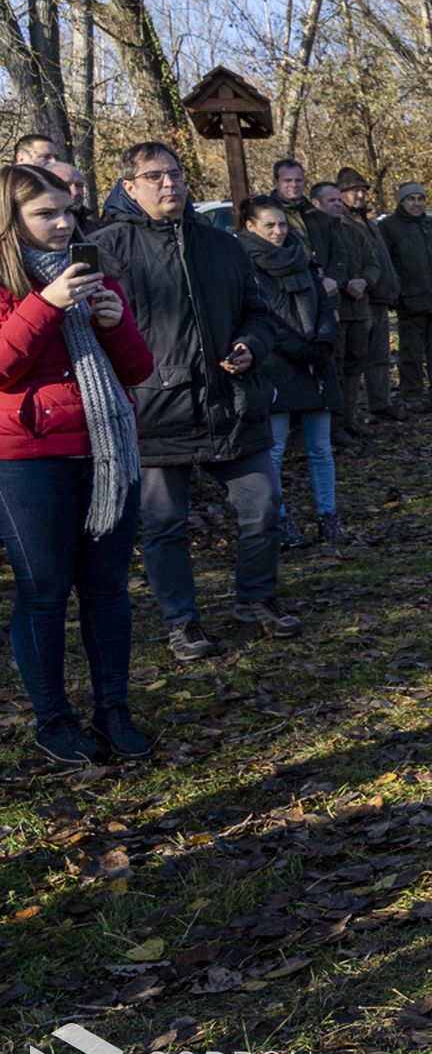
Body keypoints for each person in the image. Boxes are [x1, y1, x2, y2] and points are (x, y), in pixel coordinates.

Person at [91, 142, 297, 659]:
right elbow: (92, 333)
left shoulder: (223, 246)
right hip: (155, 411)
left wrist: (251, 346)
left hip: (232, 404)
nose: (169, 184)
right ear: (130, 186)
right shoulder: (106, 248)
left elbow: (260, 313)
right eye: (155, 176)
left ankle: (255, 600)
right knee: (164, 525)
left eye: (176, 174)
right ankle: (181, 622)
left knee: (263, 508)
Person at [0, 163, 155, 763]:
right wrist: (45, 305)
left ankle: (113, 709)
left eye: (67, 210)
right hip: (28, 460)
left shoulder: (96, 278)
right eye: (45, 213)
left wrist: (115, 328)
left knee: (107, 589)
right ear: (11, 220)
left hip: (107, 452)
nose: (63, 223)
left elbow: (138, 371)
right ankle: (52, 720)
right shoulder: (19, 286)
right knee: (43, 592)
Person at [236, 196, 347, 546]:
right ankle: (279, 520)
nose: (278, 231)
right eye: (269, 225)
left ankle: (328, 516)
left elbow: (323, 305)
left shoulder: (302, 257)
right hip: (275, 363)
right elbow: (259, 316)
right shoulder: (243, 264)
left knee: (320, 448)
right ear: (250, 227)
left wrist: (324, 341)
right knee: (275, 449)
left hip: (316, 363)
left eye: (282, 223)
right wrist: (297, 348)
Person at [380, 182, 432, 408]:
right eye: (411, 199)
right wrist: (397, 294)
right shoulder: (389, 227)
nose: (416, 203)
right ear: (401, 201)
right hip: (410, 300)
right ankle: (412, 393)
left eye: (420, 198)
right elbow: (386, 264)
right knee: (411, 352)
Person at [337, 167, 404, 424]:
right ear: (342, 194)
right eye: (354, 190)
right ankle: (350, 415)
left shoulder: (369, 222)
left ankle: (381, 404)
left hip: (380, 299)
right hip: (359, 301)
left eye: (363, 189)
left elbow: (381, 259)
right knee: (355, 360)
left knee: (379, 357)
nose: (360, 194)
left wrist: (393, 284)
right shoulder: (343, 223)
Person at [322, 178, 381, 444]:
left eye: (338, 200)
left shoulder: (353, 232)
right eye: (332, 201)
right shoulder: (318, 232)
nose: (337, 205)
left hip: (359, 309)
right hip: (334, 311)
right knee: (335, 366)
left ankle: (351, 419)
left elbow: (373, 263)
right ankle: (333, 426)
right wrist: (345, 284)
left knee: (356, 365)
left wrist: (364, 281)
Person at [272, 159, 346, 301]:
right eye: (288, 180)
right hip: (289, 296)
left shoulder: (319, 216)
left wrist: (332, 279)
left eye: (298, 180)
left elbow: (339, 251)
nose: (294, 185)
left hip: (326, 295)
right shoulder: (266, 215)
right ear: (276, 183)